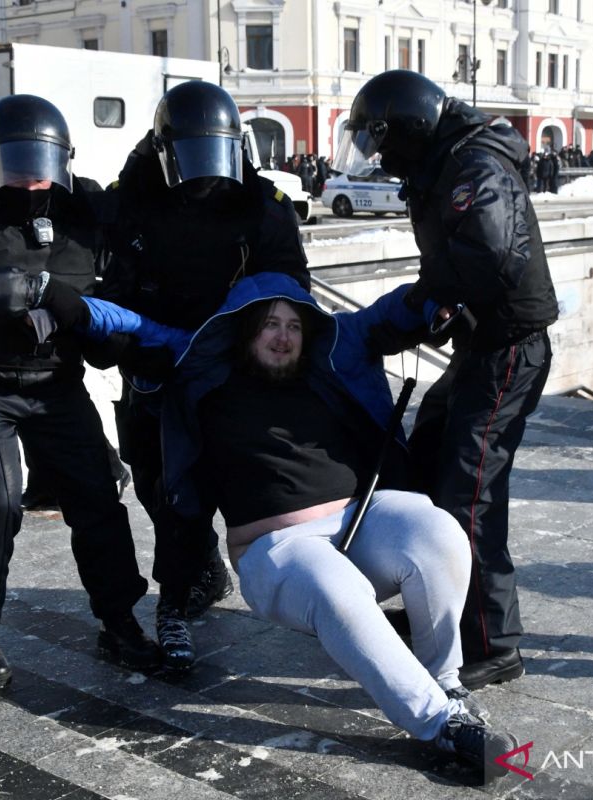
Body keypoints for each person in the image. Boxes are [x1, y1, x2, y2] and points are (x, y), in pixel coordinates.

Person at [76, 271, 518, 769]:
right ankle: (443, 724)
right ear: (244, 330)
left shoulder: (332, 358)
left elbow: (393, 310)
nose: (283, 336)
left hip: (361, 521)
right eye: (269, 324)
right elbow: (130, 324)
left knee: (436, 530)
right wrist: (54, 297)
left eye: (292, 325)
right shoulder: (200, 366)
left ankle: (444, 677)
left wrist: (438, 297)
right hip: (278, 550)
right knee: (334, 587)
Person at [0, 94, 160, 689]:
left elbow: (125, 237)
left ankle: (119, 617)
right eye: (17, 165)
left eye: (42, 165)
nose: (32, 182)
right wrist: (40, 289)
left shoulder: (83, 206)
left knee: (97, 493)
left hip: (55, 379)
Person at [335, 70, 559, 690]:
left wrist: (434, 298)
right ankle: (444, 606)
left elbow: (488, 256)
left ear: (405, 131)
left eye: (380, 143)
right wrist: (432, 304)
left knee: (469, 492)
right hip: (480, 342)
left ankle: (490, 640)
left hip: (507, 348)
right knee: (430, 459)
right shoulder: (444, 162)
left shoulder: (473, 167)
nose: (378, 157)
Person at [90, 80, 310, 671]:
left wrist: (263, 349)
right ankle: (195, 571)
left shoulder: (262, 207)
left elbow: (289, 291)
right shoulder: (132, 202)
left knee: (242, 484)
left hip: (232, 367)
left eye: (216, 158)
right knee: (158, 484)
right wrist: (130, 351)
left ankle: (182, 596)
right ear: (165, 154)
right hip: (155, 368)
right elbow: (110, 291)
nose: (206, 178)